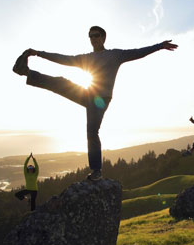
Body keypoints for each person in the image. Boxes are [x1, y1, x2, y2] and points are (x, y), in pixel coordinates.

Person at [12, 25, 178, 181]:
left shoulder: (115, 55)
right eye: (90, 36)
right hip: (88, 94)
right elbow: (64, 59)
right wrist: (38, 53)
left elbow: (138, 52)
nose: (93, 38)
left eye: (96, 35)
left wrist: (159, 46)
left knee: (92, 131)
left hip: (101, 99)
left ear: (103, 37)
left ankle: (96, 171)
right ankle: (26, 72)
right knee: (61, 82)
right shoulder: (87, 58)